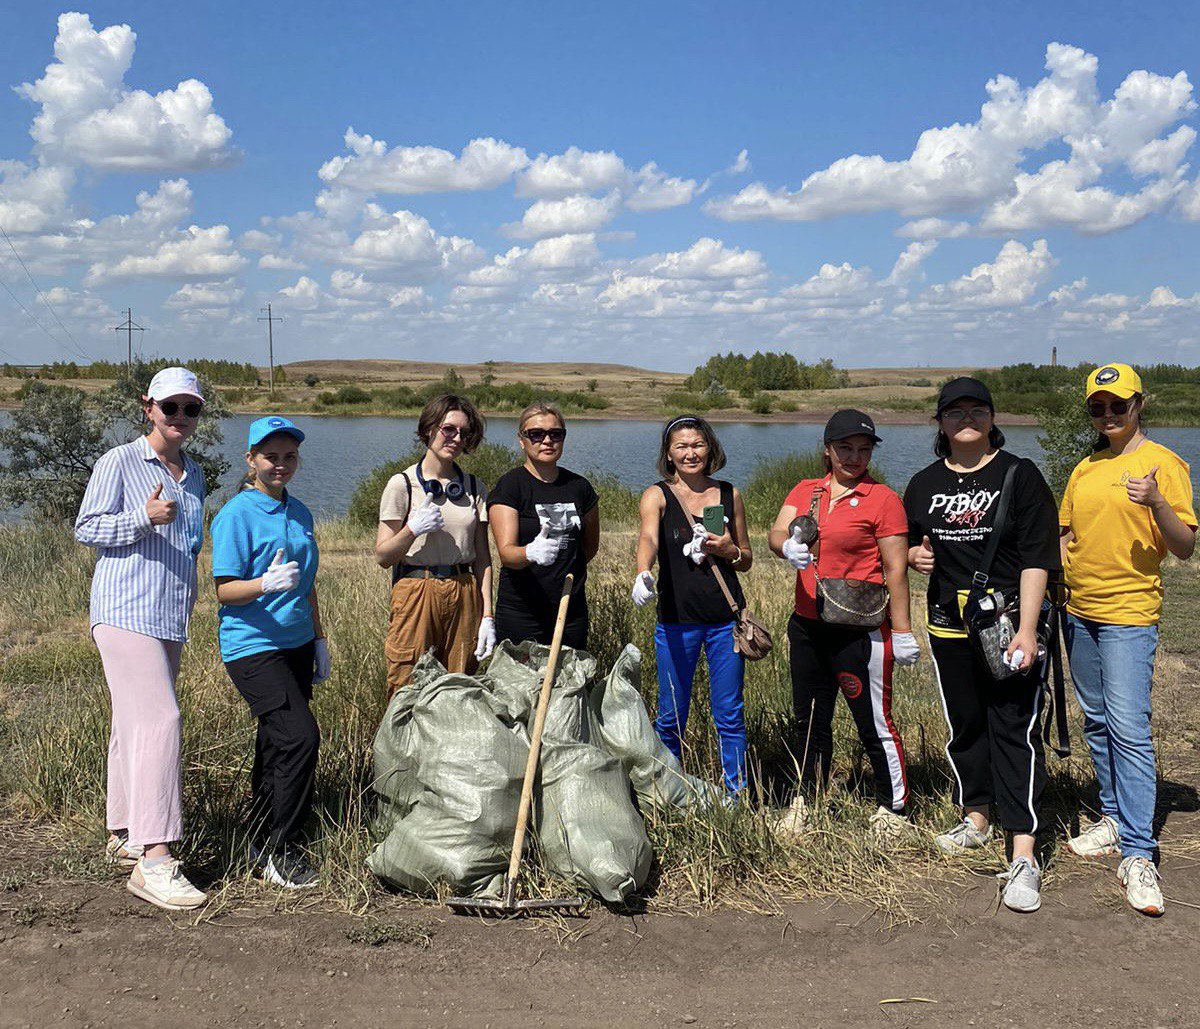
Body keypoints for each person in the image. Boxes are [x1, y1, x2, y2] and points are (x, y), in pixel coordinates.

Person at [904, 377, 1060, 913]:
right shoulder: (924, 483)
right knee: (966, 726)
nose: (965, 418)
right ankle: (976, 815)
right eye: (954, 411)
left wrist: (1028, 631)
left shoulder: (1021, 475)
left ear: (992, 419)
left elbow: (1039, 556)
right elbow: (910, 546)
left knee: (1013, 728)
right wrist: (912, 559)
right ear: (940, 423)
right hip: (950, 626)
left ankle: (1023, 850)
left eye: (976, 410)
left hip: (1008, 626)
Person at [1059, 362, 1196, 917]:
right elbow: (1066, 528)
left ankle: (1139, 851)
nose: (1109, 414)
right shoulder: (1085, 466)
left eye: (1119, 404)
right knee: (1095, 722)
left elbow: (1186, 546)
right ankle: (1114, 818)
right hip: (1079, 611)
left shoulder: (1164, 464)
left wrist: (1157, 503)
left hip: (1129, 615)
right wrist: (1061, 547)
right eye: (1099, 406)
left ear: (1140, 403)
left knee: (1129, 728)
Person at [74, 366, 208, 911]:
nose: (180, 418)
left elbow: (190, 540)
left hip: (167, 615)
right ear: (147, 406)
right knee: (161, 719)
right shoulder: (120, 461)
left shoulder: (194, 472)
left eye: (191, 409)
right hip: (124, 609)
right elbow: (86, 527)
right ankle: (156, 859)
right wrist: (142, 517)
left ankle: (125, 830)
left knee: (134, 720)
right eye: (170, 407)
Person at [768, 410, 917, 838]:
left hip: (860, 628)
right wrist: (787, 548)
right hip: (808, 625)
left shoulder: (883, 499)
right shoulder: (805, 490)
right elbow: (776, 532)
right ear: (828, 449)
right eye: (845, 448)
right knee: (810, 718)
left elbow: (895, 570)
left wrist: (903, 631)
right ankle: (805, 800)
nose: (855, 457)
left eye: (864, 449)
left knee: (873, 720)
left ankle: (895, 806)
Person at [211, 417, 327, 889]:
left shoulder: (300, 512)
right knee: (300, 737)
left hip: (297, 642)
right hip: (253, 646)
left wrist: (319, 640)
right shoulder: (236, 514)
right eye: (271, 457)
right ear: (252, 460)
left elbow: (309, 585)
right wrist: (262, 584)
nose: (280, 464)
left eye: (289, 457)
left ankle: (258, 834)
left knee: (275, 741)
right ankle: (282, 847)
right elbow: (223, 590)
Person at [632, 415, 752, 794]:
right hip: (676, 621)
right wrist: (642, 572)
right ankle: (667, 792)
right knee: (670, 715)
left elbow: (746, 558)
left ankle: (737, 794)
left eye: (697, 445)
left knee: (729, 714)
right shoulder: (657, 495)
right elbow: (648, 538)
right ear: (668, 453)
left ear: (710, 448)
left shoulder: (729, 494)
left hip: (725, 622)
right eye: (681, 446)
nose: (690, 453)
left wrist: (731, 550)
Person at [375, 394, 493, 696]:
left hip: (464, 590)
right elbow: (383, 556)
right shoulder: (401, 484)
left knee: (460, 685)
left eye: (464, 433)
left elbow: (483, 559)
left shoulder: (473, 487)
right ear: (429, 429)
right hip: (417, 589)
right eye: (448, 429)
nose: (455, 438)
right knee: (408, 684)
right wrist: (412, 529)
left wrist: (487, 616)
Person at [489, 403, 599, 650]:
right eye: (537, 434)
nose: (547, 440)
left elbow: (589, 548)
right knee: (521, 685)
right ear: (522, 440)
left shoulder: (580, 487)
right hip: (522, 610)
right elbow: (506, 554)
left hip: (569, 607)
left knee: (569, 682)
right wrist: (529, 552)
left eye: (555, 434)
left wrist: (565, 565)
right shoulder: (511, 486)